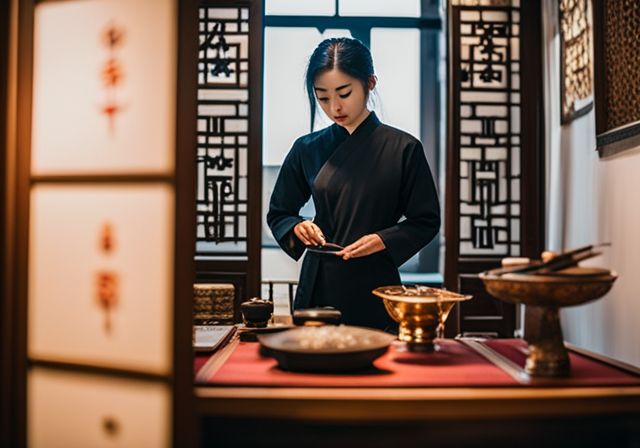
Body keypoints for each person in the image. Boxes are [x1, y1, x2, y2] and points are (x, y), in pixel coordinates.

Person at [267, 37, 440, 331]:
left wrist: (384, 239)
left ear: (370, 83)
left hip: (375, 281)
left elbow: (425, 220)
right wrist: (297, 226)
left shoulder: (403, 148)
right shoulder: (307, 148)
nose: (334, 107)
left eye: (344, 93)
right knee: (312, 365)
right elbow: (279, 213)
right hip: (319, 283)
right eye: (322, 97)